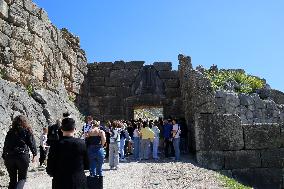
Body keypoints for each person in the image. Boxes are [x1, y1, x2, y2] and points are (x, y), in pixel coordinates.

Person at [46, 117, 89, 189]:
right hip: (78, 181)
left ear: (61, 129)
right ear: (75, 129)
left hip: (60, 182)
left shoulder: (55, 145)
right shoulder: (82, 143)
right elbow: (87, 165)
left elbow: (50, 167)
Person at [2, 115, 37, 189]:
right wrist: (34, 154)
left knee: (12, 180)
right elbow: (32, 143)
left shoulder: (10, 132)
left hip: (10, 157)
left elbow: (6, 145)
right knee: (22, 178)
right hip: (22, 157)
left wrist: (4, 156)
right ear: (25, 122)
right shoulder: (27, 131)